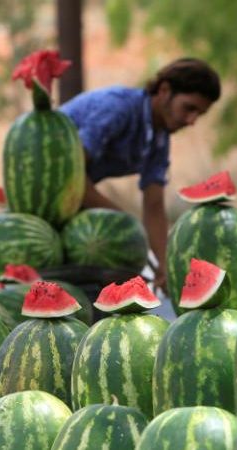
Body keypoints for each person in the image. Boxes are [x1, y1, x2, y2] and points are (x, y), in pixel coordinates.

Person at [59, 57, 221, 292]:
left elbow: (154, 206)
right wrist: (122, 219)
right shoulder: (117, 108)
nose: (192, 121)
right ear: (164, 91)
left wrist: (165, 267)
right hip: (45, 186)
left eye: (200, 114)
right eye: (189, 108)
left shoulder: (159, 139)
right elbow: (68, 176)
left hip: (69, 199)